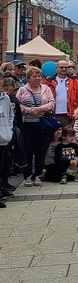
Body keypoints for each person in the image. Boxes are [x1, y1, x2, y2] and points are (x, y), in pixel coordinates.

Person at [16, 66, 56, 187]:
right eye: (34, 76)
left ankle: (38, 175)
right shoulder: (22, 90)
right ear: (28, 78)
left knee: (41, 151)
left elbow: (52, 102)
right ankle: (27, 176)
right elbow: (17, 105)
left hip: (43, 125)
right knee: (28, 151)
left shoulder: (46, 89)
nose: (37, 78)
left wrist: (40, 108)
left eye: (39, 76)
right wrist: (29, 110)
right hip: (28, 125)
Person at [45, 60, 78, 128]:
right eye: (61, 67)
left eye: (66, 67)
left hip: (70, 115)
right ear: (56, 68)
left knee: (68, 136)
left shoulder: (75, 82)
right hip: (53, 114)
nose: (64, 69)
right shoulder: (48, 82)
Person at [0, 76, 14, 209]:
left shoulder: (6, 97)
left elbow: (10, 115)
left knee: (3, 165)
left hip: (3, 138)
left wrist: (8, 129)